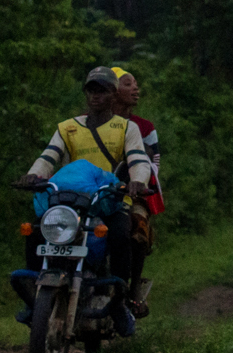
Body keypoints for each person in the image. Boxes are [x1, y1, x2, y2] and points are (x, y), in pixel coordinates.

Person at [15, 67, 156, 322]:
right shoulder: (68, 128)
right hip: (68, 201)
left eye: (102, 90)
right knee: (35, 230)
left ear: (113, 95)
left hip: (109, 199)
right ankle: (35, 297)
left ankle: (119, 302)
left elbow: (138, 159)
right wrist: (33, 176)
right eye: (91, 90)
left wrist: (137, 181)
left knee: (122, 235)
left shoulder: (126, 128)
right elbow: (48, 156)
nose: (95, 96)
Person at [109, 65, 163, 315]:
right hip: (97, 190)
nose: (135, 88)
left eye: (135, 84)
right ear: (113, 90)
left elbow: (154, 166)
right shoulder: (89, 122)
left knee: (138, 227)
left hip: (133, 192)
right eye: (128, 83)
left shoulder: (145, 127)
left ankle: (132, 291)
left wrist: (139, 182)